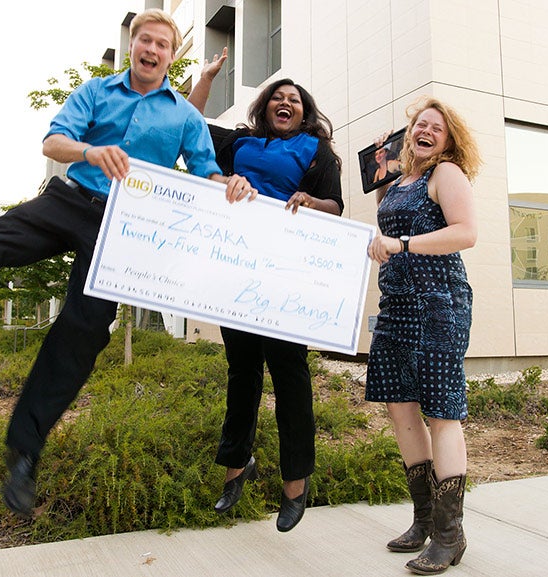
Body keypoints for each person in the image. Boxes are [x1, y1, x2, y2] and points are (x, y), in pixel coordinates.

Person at [0, 9, 254, 519]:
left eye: (161, 44)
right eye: (143, 40)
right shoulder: (95, 91)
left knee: (82, 332)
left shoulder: (185, 117)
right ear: (132, 46)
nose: (151, 49)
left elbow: (207, 172)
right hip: (69, 200)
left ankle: (24, 452)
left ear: (171, 56)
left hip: (125, 227)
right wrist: (90, 151)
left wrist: (232, 183)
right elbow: (53, 142)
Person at [188, 48, 343, 532]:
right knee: (242, 372)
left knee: (289, 375)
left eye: (294, 99)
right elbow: (187, 127)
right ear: (264, 106)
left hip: (286, 275)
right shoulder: (239, 142)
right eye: (278, 96)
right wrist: (206, 78)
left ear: (304, 111)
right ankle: (237, 466)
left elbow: (335, 206)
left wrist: (310, 200)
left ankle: (296, 482)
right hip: (236, 270)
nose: (285, 102)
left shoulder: (315, 150)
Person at [366, 96, 482, 574]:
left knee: (441, 413)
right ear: (408, 132)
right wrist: (381, 174)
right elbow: (389, 225)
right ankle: (425, 520)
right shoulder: (399, 182)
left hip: (438, 306)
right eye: (420, 124)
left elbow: (466, 232)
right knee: (401, 409)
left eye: (437, 127)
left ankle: (450, 537)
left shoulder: (445, 174)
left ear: (448, 139)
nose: (426, 131)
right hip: (395, 306)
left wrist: (404, 244)